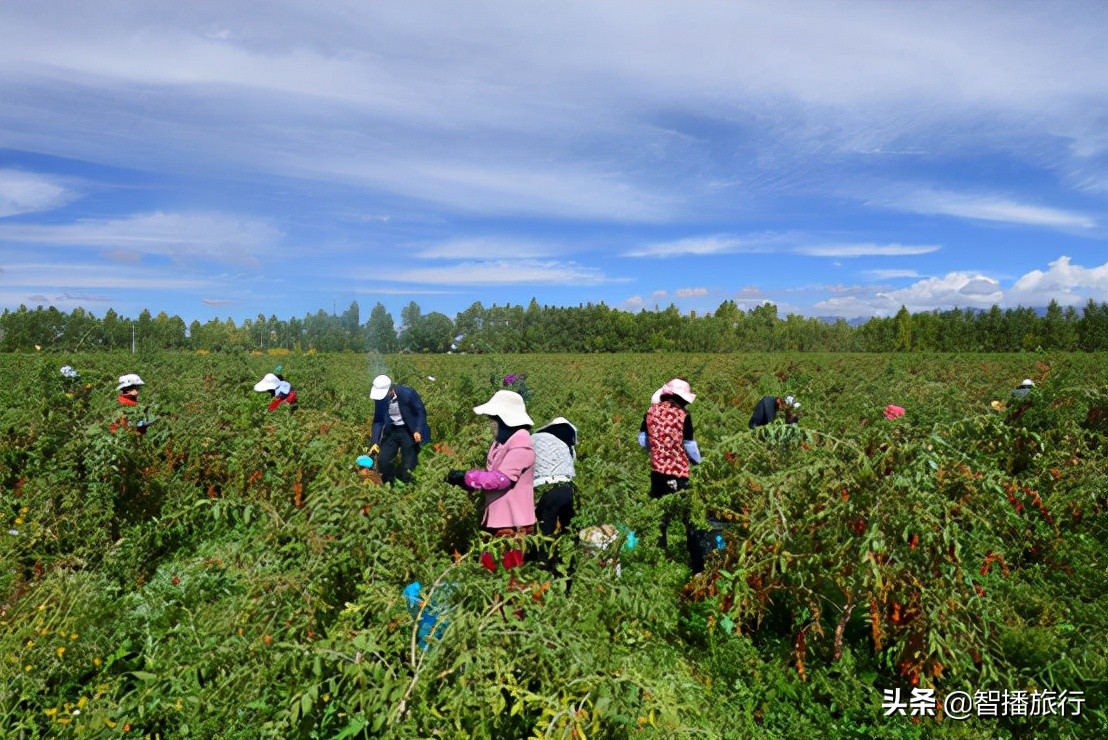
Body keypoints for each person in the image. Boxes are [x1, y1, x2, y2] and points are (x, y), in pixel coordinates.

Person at [445, 390, 536, 541]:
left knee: (506, 562)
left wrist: (467, 477)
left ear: (504, 419)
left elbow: (501, 479)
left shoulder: (521, 443)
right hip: (502, 520)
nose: (491, 424)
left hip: (513, 523)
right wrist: (467, 482)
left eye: (493, 419)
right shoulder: (502, 442)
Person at [639, 378, 705, 573]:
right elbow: (689, 445)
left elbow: (643, 441)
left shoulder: (650, 413)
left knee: (660, 520)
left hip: (657, 474)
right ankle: (698, 568)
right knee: (690, 521)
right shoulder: (683, 416)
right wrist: (701, 462)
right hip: (680, 474)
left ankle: (659, 565)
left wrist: (659, 449)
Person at [532, 417, 578, 566]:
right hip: (567, 488)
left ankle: (543, 568)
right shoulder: (565, 445)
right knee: (568, 529)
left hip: (546, 489)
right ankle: (569, 564)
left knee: (545, 532)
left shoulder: (535, 439)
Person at [369, 374, 430, 485]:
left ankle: (407, 486)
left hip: (408, 431)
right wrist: (374, 442)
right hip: (392, 430)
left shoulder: (408, 394)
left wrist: (418, 430)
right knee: (383, 461)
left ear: (391, 389)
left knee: (408, 466)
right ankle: (389, 484)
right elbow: (378, 420)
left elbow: (421, 412)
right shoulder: (381, 400)